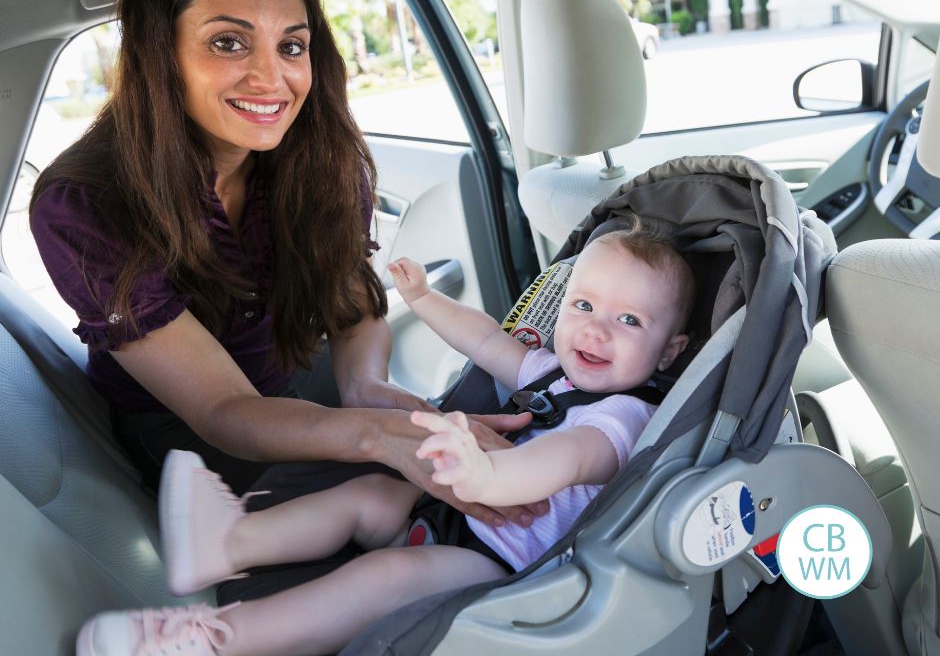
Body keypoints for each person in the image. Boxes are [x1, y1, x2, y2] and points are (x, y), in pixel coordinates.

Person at [27, 0, 529, 524]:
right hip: (190, 433)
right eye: (228, 42)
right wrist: (375, 437)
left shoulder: (323, 161)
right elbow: (222, 410)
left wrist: (367, 389)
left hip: (295, 384)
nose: (272, 78)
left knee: (500, 450)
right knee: (416, 507)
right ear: (161, 53)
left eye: (291, 45)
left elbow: (352, 311)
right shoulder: (83, 204)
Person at [76, 228, 695, 655]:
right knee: (372, 494)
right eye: (584, 305)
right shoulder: (554, 372)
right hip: (457, 511)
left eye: (629, 320)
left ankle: (216, 637)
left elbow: (567, 458)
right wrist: (425, 300)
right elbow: (487, 343)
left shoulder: (626, 416)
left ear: (670, 351)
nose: (595, 329)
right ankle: (231, 539)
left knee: (393, 575)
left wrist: (486, 479)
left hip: (512, 565)